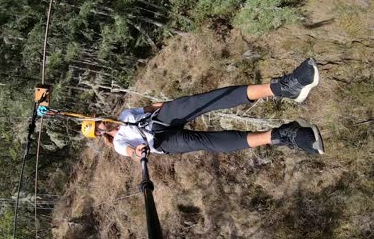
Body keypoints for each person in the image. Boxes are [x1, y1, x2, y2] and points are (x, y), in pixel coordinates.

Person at [81, 58, 325, 163]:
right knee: (206, 140)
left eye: (98, 121)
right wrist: (138, 153)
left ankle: (285, 87)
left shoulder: (124, 115)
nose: (102, 125)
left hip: (160, 117)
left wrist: (171, 105)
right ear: (101, 135)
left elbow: (149, 107)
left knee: (205, 100)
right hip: (161, 142)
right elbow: (130, 152)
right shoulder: (118, 143)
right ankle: (284, 135)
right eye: (98, 129)